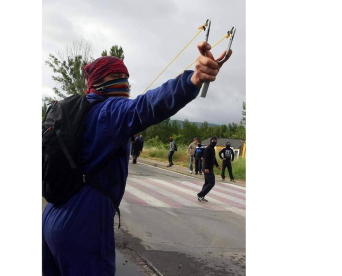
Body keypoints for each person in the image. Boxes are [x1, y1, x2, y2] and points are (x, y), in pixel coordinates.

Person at [42, 42, 232, 275]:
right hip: (83, 225)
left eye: (126, 76)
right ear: (102, 80)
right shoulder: (108, 112)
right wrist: (192, 79)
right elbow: (146, 107)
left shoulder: (79, 113)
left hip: (52, 214)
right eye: (118, 76)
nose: (125, 81)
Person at [197, 136, 221, 202]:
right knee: (211, 182)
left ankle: (201, 196)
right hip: (207, 168)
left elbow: (214, 158)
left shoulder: (212, 149)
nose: (214, 142)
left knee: (207, 182)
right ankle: (200, 194)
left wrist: (217, 165)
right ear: (210, 141)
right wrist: (206, 168)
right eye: (213, 141)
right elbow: (205, 159)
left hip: (210, 167)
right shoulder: (208, 149)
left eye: (215, 141)